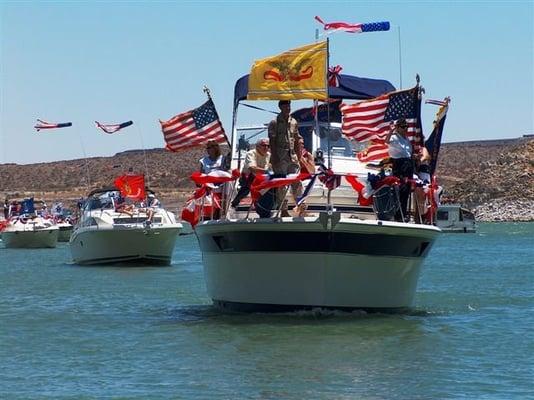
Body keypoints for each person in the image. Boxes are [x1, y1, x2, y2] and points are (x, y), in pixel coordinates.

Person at [268, 100, 302, 217]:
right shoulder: (274, 122)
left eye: (289, 105)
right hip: (280, 154)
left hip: (292, 156)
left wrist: (299, 156)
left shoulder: (293, 121)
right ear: (280, 107)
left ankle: (300, 206)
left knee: (297, 181)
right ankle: (283, 209)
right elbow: (272, 140)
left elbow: (296, 139)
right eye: (285, 105)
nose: (288, 107)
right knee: (282, 184)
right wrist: (275, 156)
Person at [385, 118, 414, 222]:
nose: (405, 129)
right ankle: (398, 214)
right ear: (397, 127)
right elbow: (386, 141)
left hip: (408, 164)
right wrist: (391, 131)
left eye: (407, 127)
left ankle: (403, 213)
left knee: (407, 190)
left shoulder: (406, 139)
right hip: (399, 164)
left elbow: (408, 152)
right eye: (403, 127)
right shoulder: (394, 137)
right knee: (400, 189)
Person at [231, 138, 271, 208]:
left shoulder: (269, 155)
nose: (266, 147)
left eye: (268, 146)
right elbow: (252, 168)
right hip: (249, 176)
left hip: (262, 177)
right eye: (264, 145)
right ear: (257, 146)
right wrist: (266, 171)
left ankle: (264, 205)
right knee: (245, 190)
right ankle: (234, 204)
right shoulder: (250, 153)